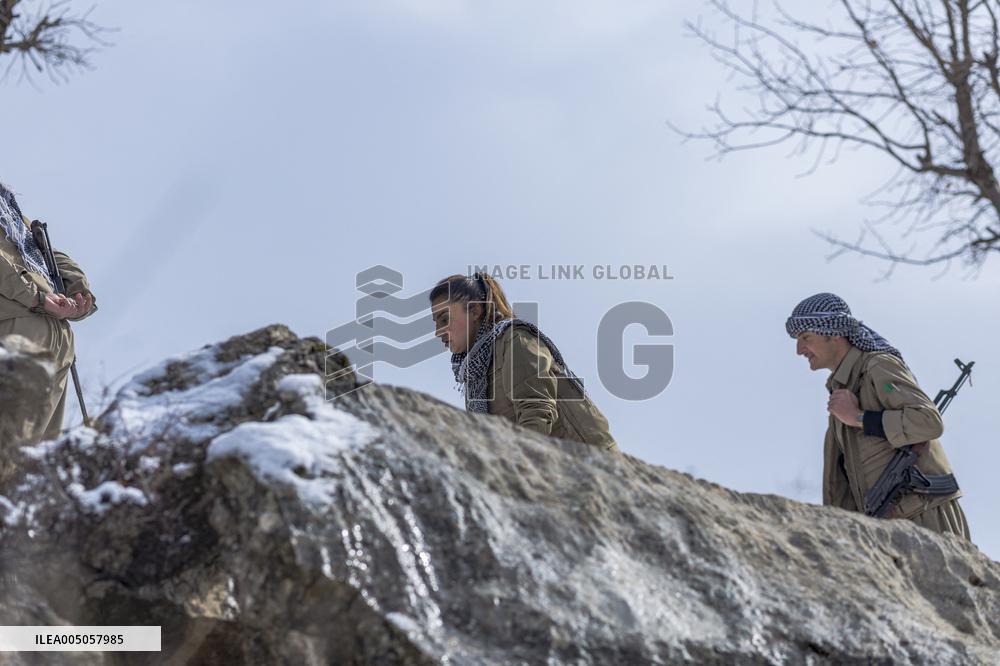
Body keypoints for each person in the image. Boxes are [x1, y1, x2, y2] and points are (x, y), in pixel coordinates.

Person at [786, 292, 969, 540]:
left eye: (806, 337)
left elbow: (929, 422)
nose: (799, 350)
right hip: (887, 527)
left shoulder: (877, 367)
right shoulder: (843, 389)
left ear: (835, 333)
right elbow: (841, 484)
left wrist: (861, 418)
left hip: (925, 518)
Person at [430, 272, 618, 452]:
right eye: (435, 323)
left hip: (591, 462)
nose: (438, 332)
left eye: (444, 319)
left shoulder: (514, 340)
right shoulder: (474, 374)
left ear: (474, 311)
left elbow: (536, 411)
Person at [0, 181, 97, 444]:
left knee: (37, 462)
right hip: (14, 327)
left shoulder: (8, 206)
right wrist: (35, 296)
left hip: (56, 334)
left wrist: (79, 291)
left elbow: (42, 250)